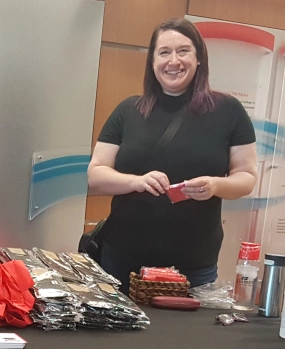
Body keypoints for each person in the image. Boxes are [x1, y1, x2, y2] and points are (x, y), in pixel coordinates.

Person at [87, 18, 258, 292]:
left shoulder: (228, 111)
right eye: (164, 52)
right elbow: (96, 175)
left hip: (193, 266)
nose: (173, 61)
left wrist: (216, 185)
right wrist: (136, 182)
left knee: (183, 337)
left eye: (183, 51)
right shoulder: (128, 110)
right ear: (152, 61)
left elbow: (247, 177)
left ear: (199, 57)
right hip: (120, 259)